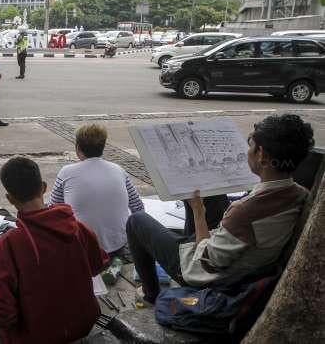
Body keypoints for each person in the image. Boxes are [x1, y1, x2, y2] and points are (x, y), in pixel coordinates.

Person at [126, 114, 314, 305]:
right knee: (211, 197)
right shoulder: (301, 194)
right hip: (246, 255)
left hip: (210, 278)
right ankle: (186, 236)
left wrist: (199, 213)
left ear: (261, 154)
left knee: (137, 221)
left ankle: (151, 294)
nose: (247, 151)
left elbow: (205, 262)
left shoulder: (244, 211)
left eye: (250, 146)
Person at [0, 157, 110, 344]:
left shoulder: (9, 244)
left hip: (36, 336)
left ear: (9, 199)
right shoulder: (78, 228)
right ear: (43, 187)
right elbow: (99, 265)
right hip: (85, 323)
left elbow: (4, 316)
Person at [49, 124, 144, 259]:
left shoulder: (66, 172)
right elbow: (138, 207)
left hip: (83, 248)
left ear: (78, 148)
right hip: (118, 245)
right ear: (103, 147)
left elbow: (53, 211)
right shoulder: (118, 169)